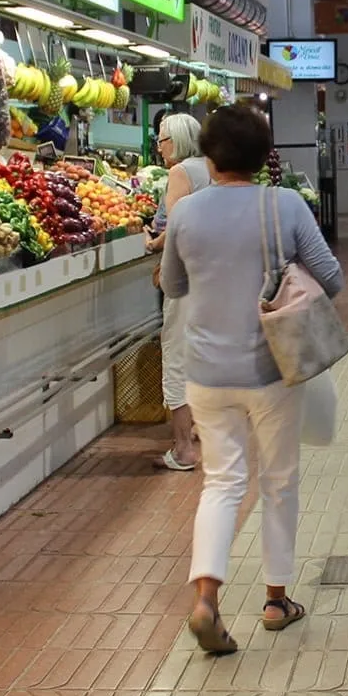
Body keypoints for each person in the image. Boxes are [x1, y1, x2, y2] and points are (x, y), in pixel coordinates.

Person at [162, 105, 345, 656]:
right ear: (266, 156)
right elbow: (332, 278)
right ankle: (274, 600)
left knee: (222, 483)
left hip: (206, 373)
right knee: (279, 481)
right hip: (270, 368)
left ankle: (205, 601)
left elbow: (172, 285)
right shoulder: (283, 204)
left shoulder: (186, 212)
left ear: (209, 156)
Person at [143, 111, 209, 471]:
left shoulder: (180, 172)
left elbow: (179, 226)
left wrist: (155, 248)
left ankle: (183, 450)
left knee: (178, 359)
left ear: (178, 141)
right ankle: (200, 429)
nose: (159, 146)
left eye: (162, 139)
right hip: (214, 279)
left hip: (186, 279)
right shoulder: (213, 167)